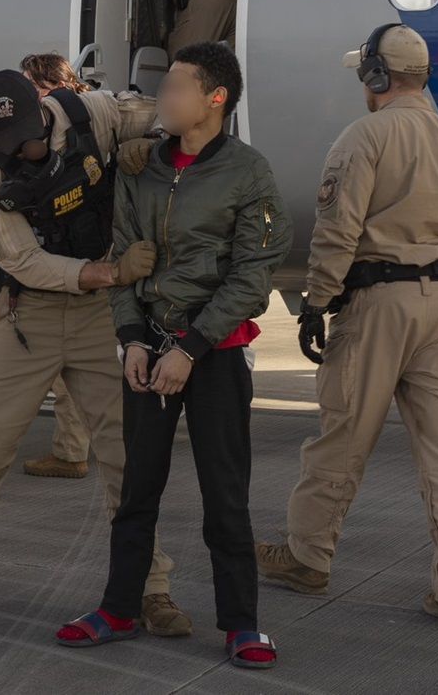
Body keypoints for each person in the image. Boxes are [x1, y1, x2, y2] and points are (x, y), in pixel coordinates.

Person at [0, 70, 189, 635]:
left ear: (42, 106)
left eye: (28, 130)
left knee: (125, 453)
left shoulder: (94, 113)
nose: (25, 146)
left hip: (102, 317)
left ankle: (151, 586)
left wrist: (155, 145)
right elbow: (22, 260)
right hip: (28, 315)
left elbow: (175, 116)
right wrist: (109, 271)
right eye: (9, 139)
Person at [57, 42, 290, 671]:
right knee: (138, 490)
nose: (163, 99)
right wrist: (131, 337)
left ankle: (241, 622)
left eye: (176, 88)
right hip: (148, 346)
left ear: (214, 99)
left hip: (212, 353)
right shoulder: (143, 169)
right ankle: (119, 608)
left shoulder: (248, 172)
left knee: (225, 492)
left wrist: (189, 348)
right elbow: (127, 255)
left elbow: (252, 276)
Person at [256, 23, 438, 625]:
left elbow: (339, 230)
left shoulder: (362, 138)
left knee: (343, 440)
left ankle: (308, 558)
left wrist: (317, 301)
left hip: (377, 304)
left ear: (376, 77)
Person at [18, 52, 95, 480]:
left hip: (64, 256)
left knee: (66, 365)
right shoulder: (94, 111)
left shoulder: (52, 117)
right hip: (92, 249)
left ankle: (70, 452)